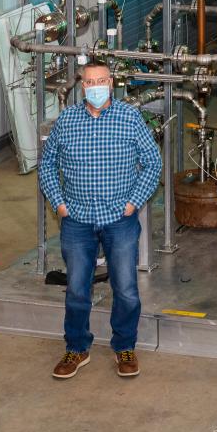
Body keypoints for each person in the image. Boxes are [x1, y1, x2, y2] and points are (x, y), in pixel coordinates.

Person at [38, 62, 162, 379]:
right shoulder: (67, 120)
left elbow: (152, 162)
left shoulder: (129, 117)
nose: (95, 86)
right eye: (89, 81)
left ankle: (124, 346)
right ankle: (77, 348)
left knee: (126, 289)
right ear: (82, 85)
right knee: (77, 289)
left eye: (101, 80)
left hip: (119, 219)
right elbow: (47, 165)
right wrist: (60, 204)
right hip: (77, 220)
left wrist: (134, 202)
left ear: (111, 83)